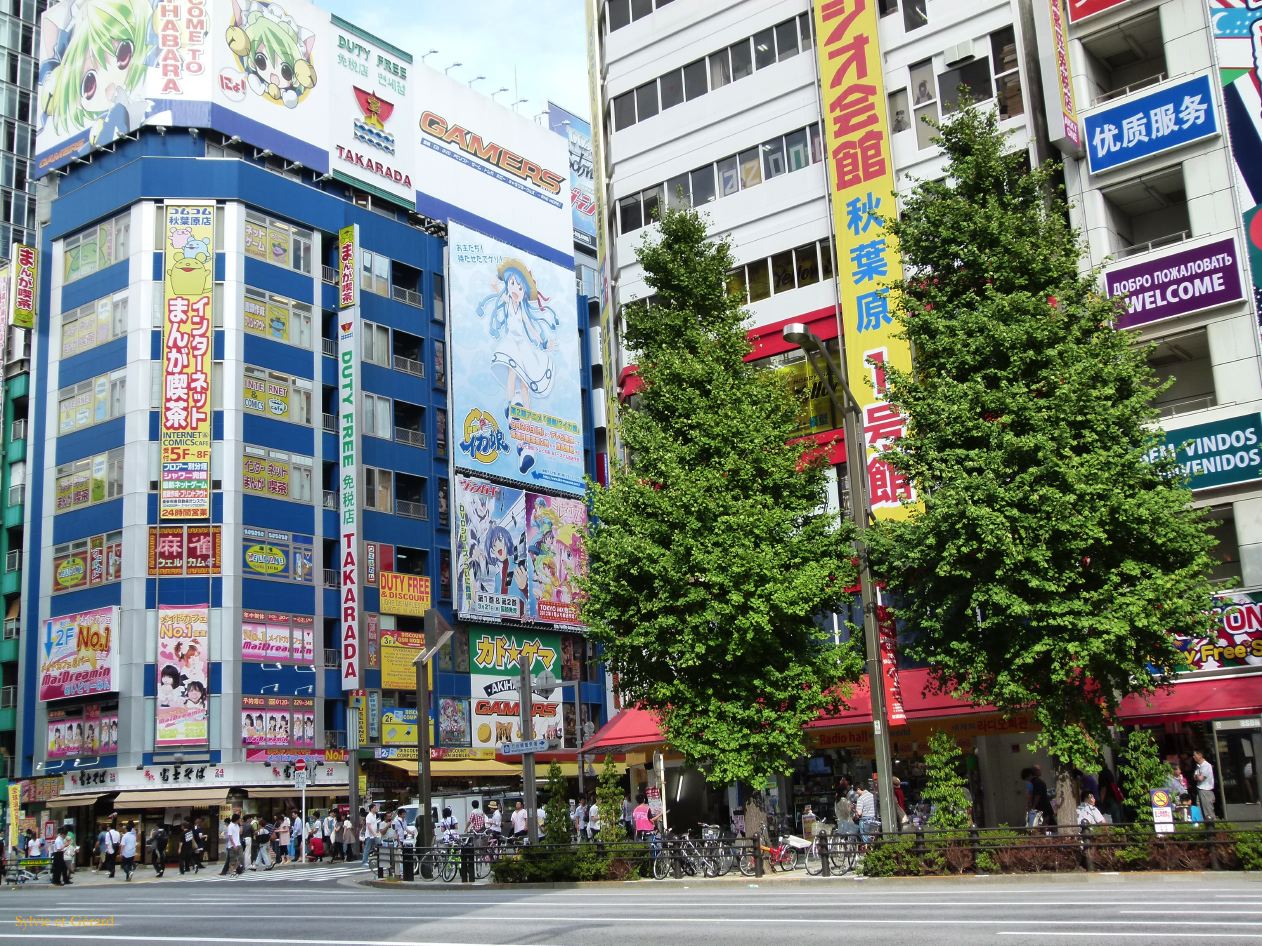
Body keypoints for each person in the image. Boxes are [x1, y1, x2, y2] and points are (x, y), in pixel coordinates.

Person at [1192, 749, 1217, 821]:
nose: (1193, 757)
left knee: (1208, 810)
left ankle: (1213, 826)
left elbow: (1200, 778)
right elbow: (1195, 777)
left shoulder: (1206, 765)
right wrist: (1197, 776)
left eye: (1195, 755)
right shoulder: (1198, 766)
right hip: (1200, 789)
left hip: (1206, 790)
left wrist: (1197, 776)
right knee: (1200, 809)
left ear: (1200, 755)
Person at [223, 813, 242, 878]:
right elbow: (230, 836)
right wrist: (234, 845)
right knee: (232, 860)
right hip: (232, 845)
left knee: (240, 858)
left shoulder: (237, 825)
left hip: (238, 844)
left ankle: (234, 870)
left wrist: (241, 825)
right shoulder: (230, 826)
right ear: (236, 819)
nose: (240, 820)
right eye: (239, 818)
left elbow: (240, 833)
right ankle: (232, 872)